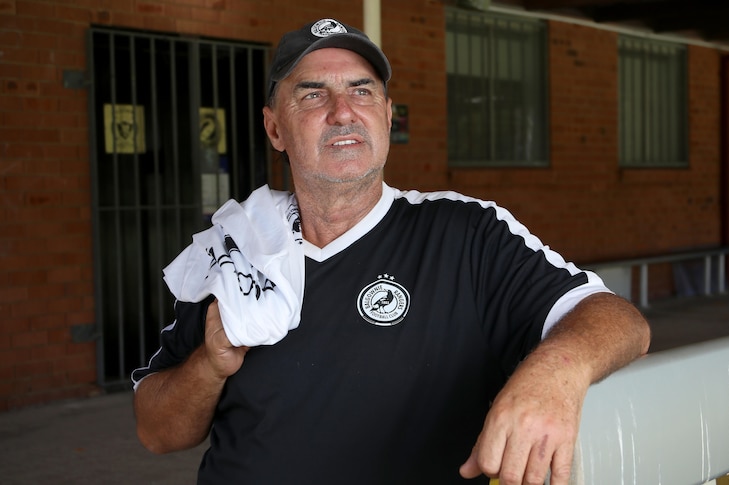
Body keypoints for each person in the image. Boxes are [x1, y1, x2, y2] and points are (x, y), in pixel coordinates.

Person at [132, 18, 650, 485]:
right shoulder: (236, 248)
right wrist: (210, 365)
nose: (342, 112)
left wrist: (553, 374)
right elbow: (157, 433)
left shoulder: (462, 232)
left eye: (362, 91)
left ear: (386, 114)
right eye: (312, 95)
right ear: (275, 128)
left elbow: (618, 320)